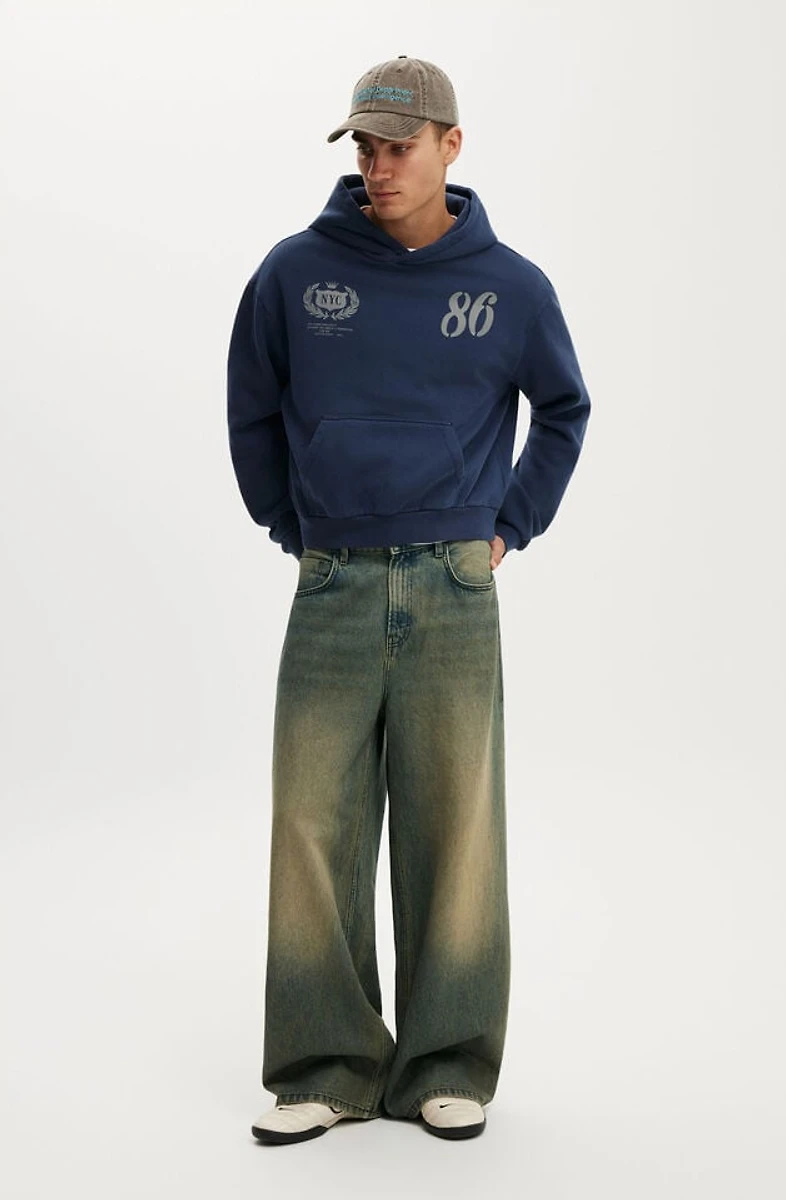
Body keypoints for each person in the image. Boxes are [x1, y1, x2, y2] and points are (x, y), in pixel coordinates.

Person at [226, 55, 591, 1146]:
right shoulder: (295, 274)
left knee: (456, 827)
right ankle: (326, 1066)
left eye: (399, 147)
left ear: (449, 146)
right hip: (333, 581)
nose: (378, 168)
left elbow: (563, 410)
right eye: (366, 148)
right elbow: (251, 409)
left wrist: (507, 525)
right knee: (311, 824)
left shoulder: (511, 287)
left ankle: (446, 1061)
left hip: (451, 584)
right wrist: (292, 525)